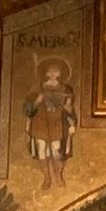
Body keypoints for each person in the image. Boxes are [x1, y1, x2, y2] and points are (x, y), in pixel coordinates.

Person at [23, 62, 77, 190]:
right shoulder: (37, 88)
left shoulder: (66, 89)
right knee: (42, 152)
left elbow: (69, 108)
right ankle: (47, 178)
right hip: (40, 124)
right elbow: (28, 110)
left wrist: (71, 122)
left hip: (57, 124)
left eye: (56, 71)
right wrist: (37, 101)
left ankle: (58, 176)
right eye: (50, 71)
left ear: (59, 73)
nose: (53, 74)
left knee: (57, 152)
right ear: (46, 73)